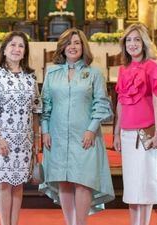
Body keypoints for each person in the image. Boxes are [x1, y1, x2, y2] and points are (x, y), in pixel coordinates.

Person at [39, 28, 115, 225]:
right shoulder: (52, 73)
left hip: (85, 136)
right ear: (62, 48)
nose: (72, 47)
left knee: (83, 181)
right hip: (57, 136)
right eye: (68, 43)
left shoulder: (94, 74)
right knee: (63, 181)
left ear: (83, 47)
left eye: (77, 43)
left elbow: (101, 104)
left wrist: (91, 129)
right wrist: (45, 131)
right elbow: (45, 105)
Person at [0, 31, 41, 225]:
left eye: (21, 46)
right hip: (0, 139)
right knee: (4, 183)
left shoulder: (30, 77)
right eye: (12, 45)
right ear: (4, 49)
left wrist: (35, 140)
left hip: (23, 140)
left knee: (17, 183)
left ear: (25, 52)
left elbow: (35, 110)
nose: (16, 49)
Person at [113, 23, 157, 225]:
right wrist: (116, 133)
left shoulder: (153, 67)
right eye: (128, 40)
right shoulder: (123, 69)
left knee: (147, 184)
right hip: (127, 134)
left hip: (147, 133)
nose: (132, 44)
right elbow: (120, 102)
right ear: (124, 44)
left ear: (144, 43)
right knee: (133, 185)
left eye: (136, 39)